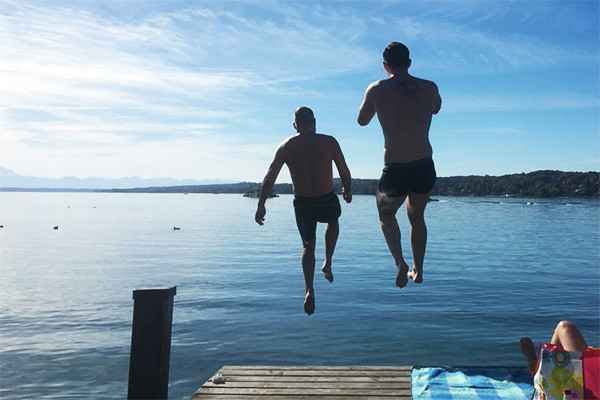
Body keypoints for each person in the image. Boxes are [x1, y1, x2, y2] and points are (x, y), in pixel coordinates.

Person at [357, 41, 441, 289]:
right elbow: (436, 108)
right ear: (410, 63)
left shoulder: (376, 89)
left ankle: (400, 263)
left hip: (395, 166)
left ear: (385, 65)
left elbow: (362, 121)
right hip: (424, 164)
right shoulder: (429, 87)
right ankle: (419, 269)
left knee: (386, 214)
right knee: (417, 217)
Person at [255, 106, 352, 315]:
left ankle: (309, 288)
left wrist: (261, 203)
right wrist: (347, 189)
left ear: (295, 125)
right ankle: (328, 261)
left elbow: (269, 177)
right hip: (326, 198)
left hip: (303, 202)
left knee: (308, 246)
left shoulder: (286, 146)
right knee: (333, 222)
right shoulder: (329, 142)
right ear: (314, 121)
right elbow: (344, 169)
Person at [520, 320, 590, 378]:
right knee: (564, 327)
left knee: (564, 327)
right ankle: (539, 369)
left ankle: (539, 370)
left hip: (583, 384)